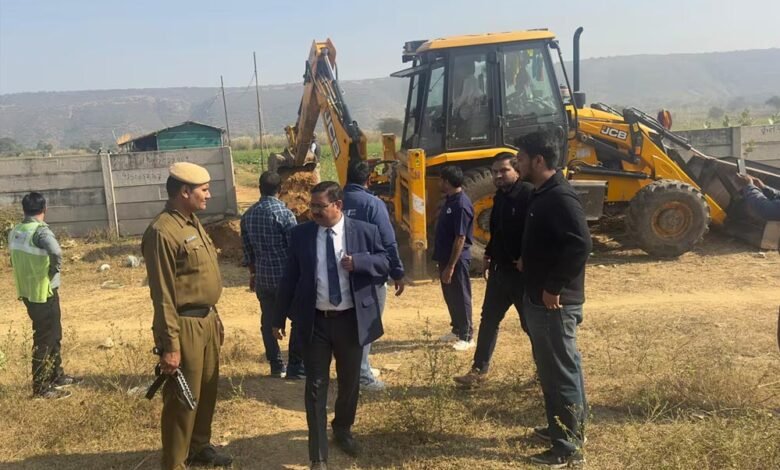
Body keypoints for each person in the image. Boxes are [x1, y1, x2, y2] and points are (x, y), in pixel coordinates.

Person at [274, 181, 389, 470]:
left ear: (337, 205)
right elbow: (290, 277)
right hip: (316, 322)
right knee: (315, 386)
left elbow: (385, 262)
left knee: (349, 382)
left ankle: (342, 428)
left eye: (319, 206)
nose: (313, 211)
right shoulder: (301, 235)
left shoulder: (364, 231)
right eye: (311, 206)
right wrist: (278, 317)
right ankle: (318, 456)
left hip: (350, 321)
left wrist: (360, 262)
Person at [141, 162, 232, 470]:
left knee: (206, 390)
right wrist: (170, 345)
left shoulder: (192, 223)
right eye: (203, 190)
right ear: (184, 191)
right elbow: (163, 294)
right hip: (185, 326)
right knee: (182, 399)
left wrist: (214, 317)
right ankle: (175, 462)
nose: (209, 195)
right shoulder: (162, 232)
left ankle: (199, 447)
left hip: (206, 321)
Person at [515, 132, 590, 467]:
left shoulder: (560, 196)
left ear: (538, 160)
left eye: (520, 158)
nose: (517, 163)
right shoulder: (542, 193)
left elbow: (580, 244)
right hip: (540, 297)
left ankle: (567, 448)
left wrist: (555, 286)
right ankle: (564, 428)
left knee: (560, 373)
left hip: (553, 304)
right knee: (558, 370)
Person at [454, 153, 534, 387]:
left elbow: (536, 232)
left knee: (531, 325)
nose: (498, 175)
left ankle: (545, 371)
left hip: (521, 276)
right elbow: (496, 231)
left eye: (504, 170)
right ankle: (478, 372)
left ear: (517, 171)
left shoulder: (528, 195)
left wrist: (527, 257)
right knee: (488, 320)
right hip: (499, 273)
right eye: (494, 171)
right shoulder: (499, 197)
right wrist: (488, 254)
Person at [8, 192, 81, 400]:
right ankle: (40, 387)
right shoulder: (40, 231)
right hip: (44, 291)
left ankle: (56, 375)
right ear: (44, 209)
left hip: (28, 291)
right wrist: (53, 272)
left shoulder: (16, 231)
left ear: (24, 209)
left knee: (54, 333)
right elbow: (56, 252)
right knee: (44, 338)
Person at [343, 160, 404, 392]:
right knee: (366, 324)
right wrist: (397, 271)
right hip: (368, 272)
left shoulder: (336, 201)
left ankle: (358, 367)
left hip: (341, 271)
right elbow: (388, 241)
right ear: (369, 179)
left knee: (347, 325)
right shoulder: (372, 204)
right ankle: (362, 376)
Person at [240, 171, 304, 379]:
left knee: (268, 322)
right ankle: (295, 365)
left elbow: (248, 251)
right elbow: (295, 248)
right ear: (280, 189)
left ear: (260, 188)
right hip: (286, 280)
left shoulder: (248, 215)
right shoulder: (284, 214)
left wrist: (253, 275)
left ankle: (276, 365)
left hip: (263, 279)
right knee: (299, 320)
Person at [433, 165, 475, 351]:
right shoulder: (449, 200)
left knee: (461, 294)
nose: (439, 183)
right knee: (450, 294)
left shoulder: (461, 205)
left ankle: (467, 336)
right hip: (445, 257)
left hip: (456, 259)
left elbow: (460, 237)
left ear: (447, 182)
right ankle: (457, 328)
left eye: (441, 180)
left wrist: (451, 266)